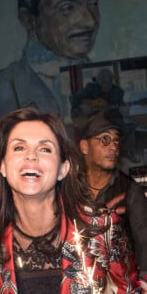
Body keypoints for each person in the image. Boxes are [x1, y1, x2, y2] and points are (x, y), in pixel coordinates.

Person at [0, 0, 101, 218]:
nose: (89, 21)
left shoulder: (103, 83)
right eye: (67, 7)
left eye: (92, 4)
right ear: (29, 19)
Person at [0, 107, 142, 293]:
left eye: (45, 149)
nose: (31, 156)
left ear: (64, 169)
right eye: (19, 147)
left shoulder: (103, 228)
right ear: (2, 166)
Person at [78, 114, 147, 284]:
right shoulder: (70, 188)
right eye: (104, 140)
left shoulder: (130, 190)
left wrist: (143, 281)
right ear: (85, 146)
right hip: (78, 280)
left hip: (119, 282)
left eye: (116, 141)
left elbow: (144, 242)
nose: (113, 147)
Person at [70, 68, 138, 162]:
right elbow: (73, 99)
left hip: (112, 118)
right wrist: (82, 106)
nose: (106, 83)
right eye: (103, 81)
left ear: (112, 80)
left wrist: (124, 111)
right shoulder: (91, 88)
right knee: (86, 132)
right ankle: (84, 159)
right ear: (98, 81)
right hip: (93, 120)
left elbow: (120, 108)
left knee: (130, 127)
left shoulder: (118, 92)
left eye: (108, 81)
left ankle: (128, 153)